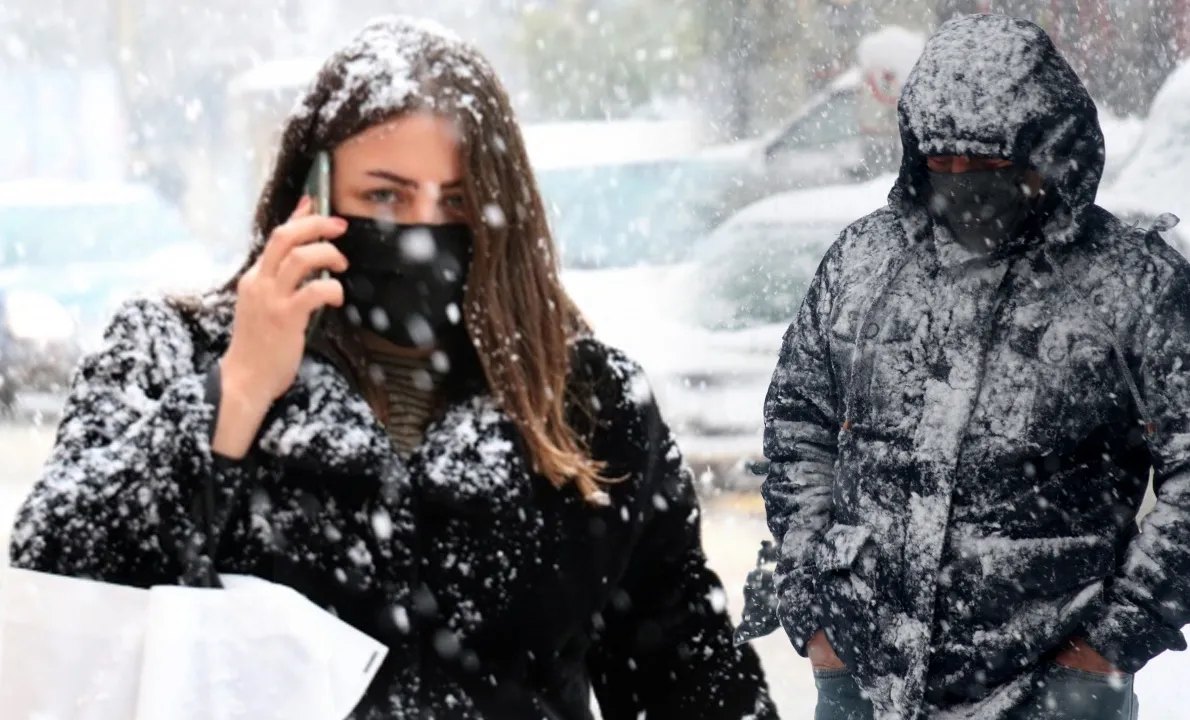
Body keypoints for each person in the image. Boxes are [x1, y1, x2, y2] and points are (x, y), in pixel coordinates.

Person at [9, 16, 778, 720]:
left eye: (457, 203)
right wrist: (236, 391)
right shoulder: (173, 351)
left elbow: (691, 677)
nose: (421, 232)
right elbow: (60, 585)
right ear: (311, 195)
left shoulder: (585, 399)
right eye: (385, 195)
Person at [736, 14, 1190, 720]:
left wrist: (1111, 639)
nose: (961, 184)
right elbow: (799, 423)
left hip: (1056, 683)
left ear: (1050, 150)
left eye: (985, 166)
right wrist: (815, 601)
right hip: (864, 673)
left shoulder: (1132, 285)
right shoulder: (863, 264)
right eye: (941, 163)